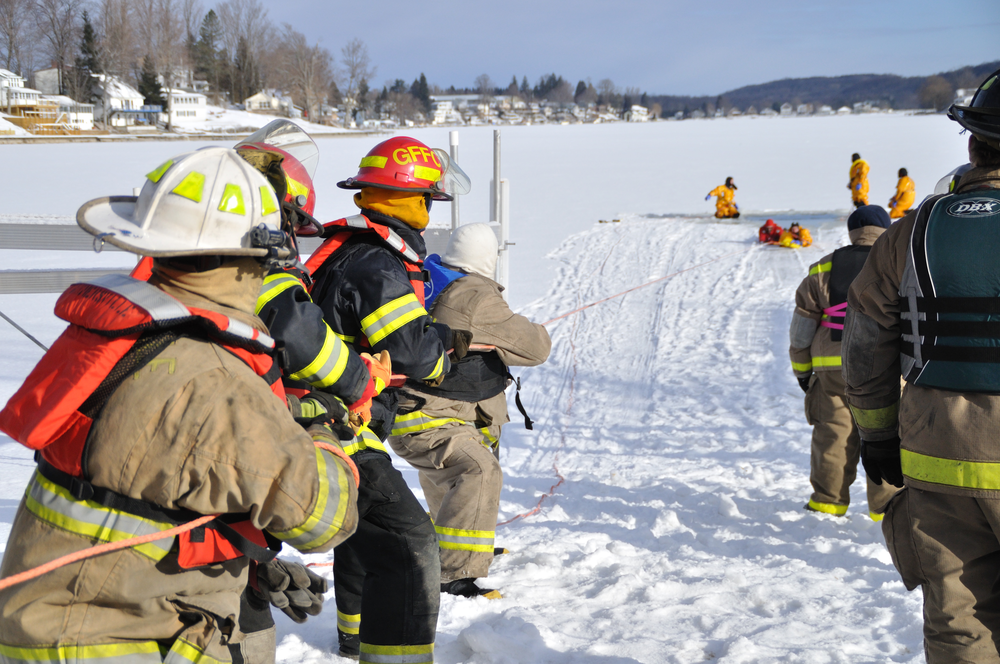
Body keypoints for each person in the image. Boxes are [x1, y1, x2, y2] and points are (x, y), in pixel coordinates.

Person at [0, 147, 359, 662]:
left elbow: (148, 486)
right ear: (254, 257)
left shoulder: (132, 337)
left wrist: (239, 552)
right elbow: (325, 518)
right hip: (114, 645)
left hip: (51, 624)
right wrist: (320, 433)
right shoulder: (216, 378)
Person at [289, 136, 472, 664]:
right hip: (341, 422)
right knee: (409, 543)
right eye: (428, 198)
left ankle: (353, 635)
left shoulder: (352, 247)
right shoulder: (379, 263)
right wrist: (447, 345)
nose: (430, 209)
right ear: (411, 199)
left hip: (323, 414)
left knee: (359, 526)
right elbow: (415, 353)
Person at [842, 67, 1000, 663]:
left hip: (940, 459)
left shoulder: (910, 233)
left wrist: (878, 437)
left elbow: (865, 344)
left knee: (959, 624)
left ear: (973, 144)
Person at [389, 223, 551, 599]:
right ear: (489, 258)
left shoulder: (427, 278)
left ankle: (459, 545)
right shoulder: (476, 295)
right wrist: (502, 339)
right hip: (438, 414)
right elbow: (536, 348)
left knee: (448, 474)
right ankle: (454, 571)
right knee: (478, 470)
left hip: (414, 409)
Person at [789, 205, 899, 519]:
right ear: (886, 230)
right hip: (885, 368)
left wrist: (803, 372)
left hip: (833, 369)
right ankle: (888, 509)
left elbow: (801, 332)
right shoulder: (898, 265)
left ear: (851, 232)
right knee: (886, 434)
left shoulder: (822, 269)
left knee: (833, 435)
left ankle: (827, 502)